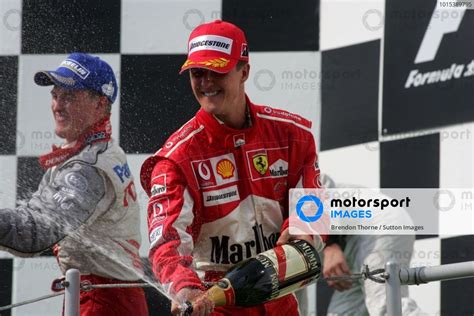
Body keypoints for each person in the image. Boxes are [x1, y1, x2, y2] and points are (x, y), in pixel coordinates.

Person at [140, 20, 325, 316]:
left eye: (217, 71)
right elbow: (166, 242)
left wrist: (302, 228)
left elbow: (314, 201)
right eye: (198, 73)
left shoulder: (292, 135)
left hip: (280, 297)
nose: (206, 82)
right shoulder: (176, 158)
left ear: (245, 72)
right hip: (214, 301)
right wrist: (184, 286)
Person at [0, 53, 148, 315]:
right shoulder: (88, 153)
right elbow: (34, 216)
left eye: (69, 96)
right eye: (55, 95)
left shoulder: (88, 167)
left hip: (106, 303)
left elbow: (36, 233)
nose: (57, 105)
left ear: (100, 104)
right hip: (96, 295)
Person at [320, 174, 423, 316]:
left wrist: (330, 244)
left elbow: (322, 186)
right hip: (351, 243)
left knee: (386, 306)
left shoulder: (285, 170)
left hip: (376, 224)